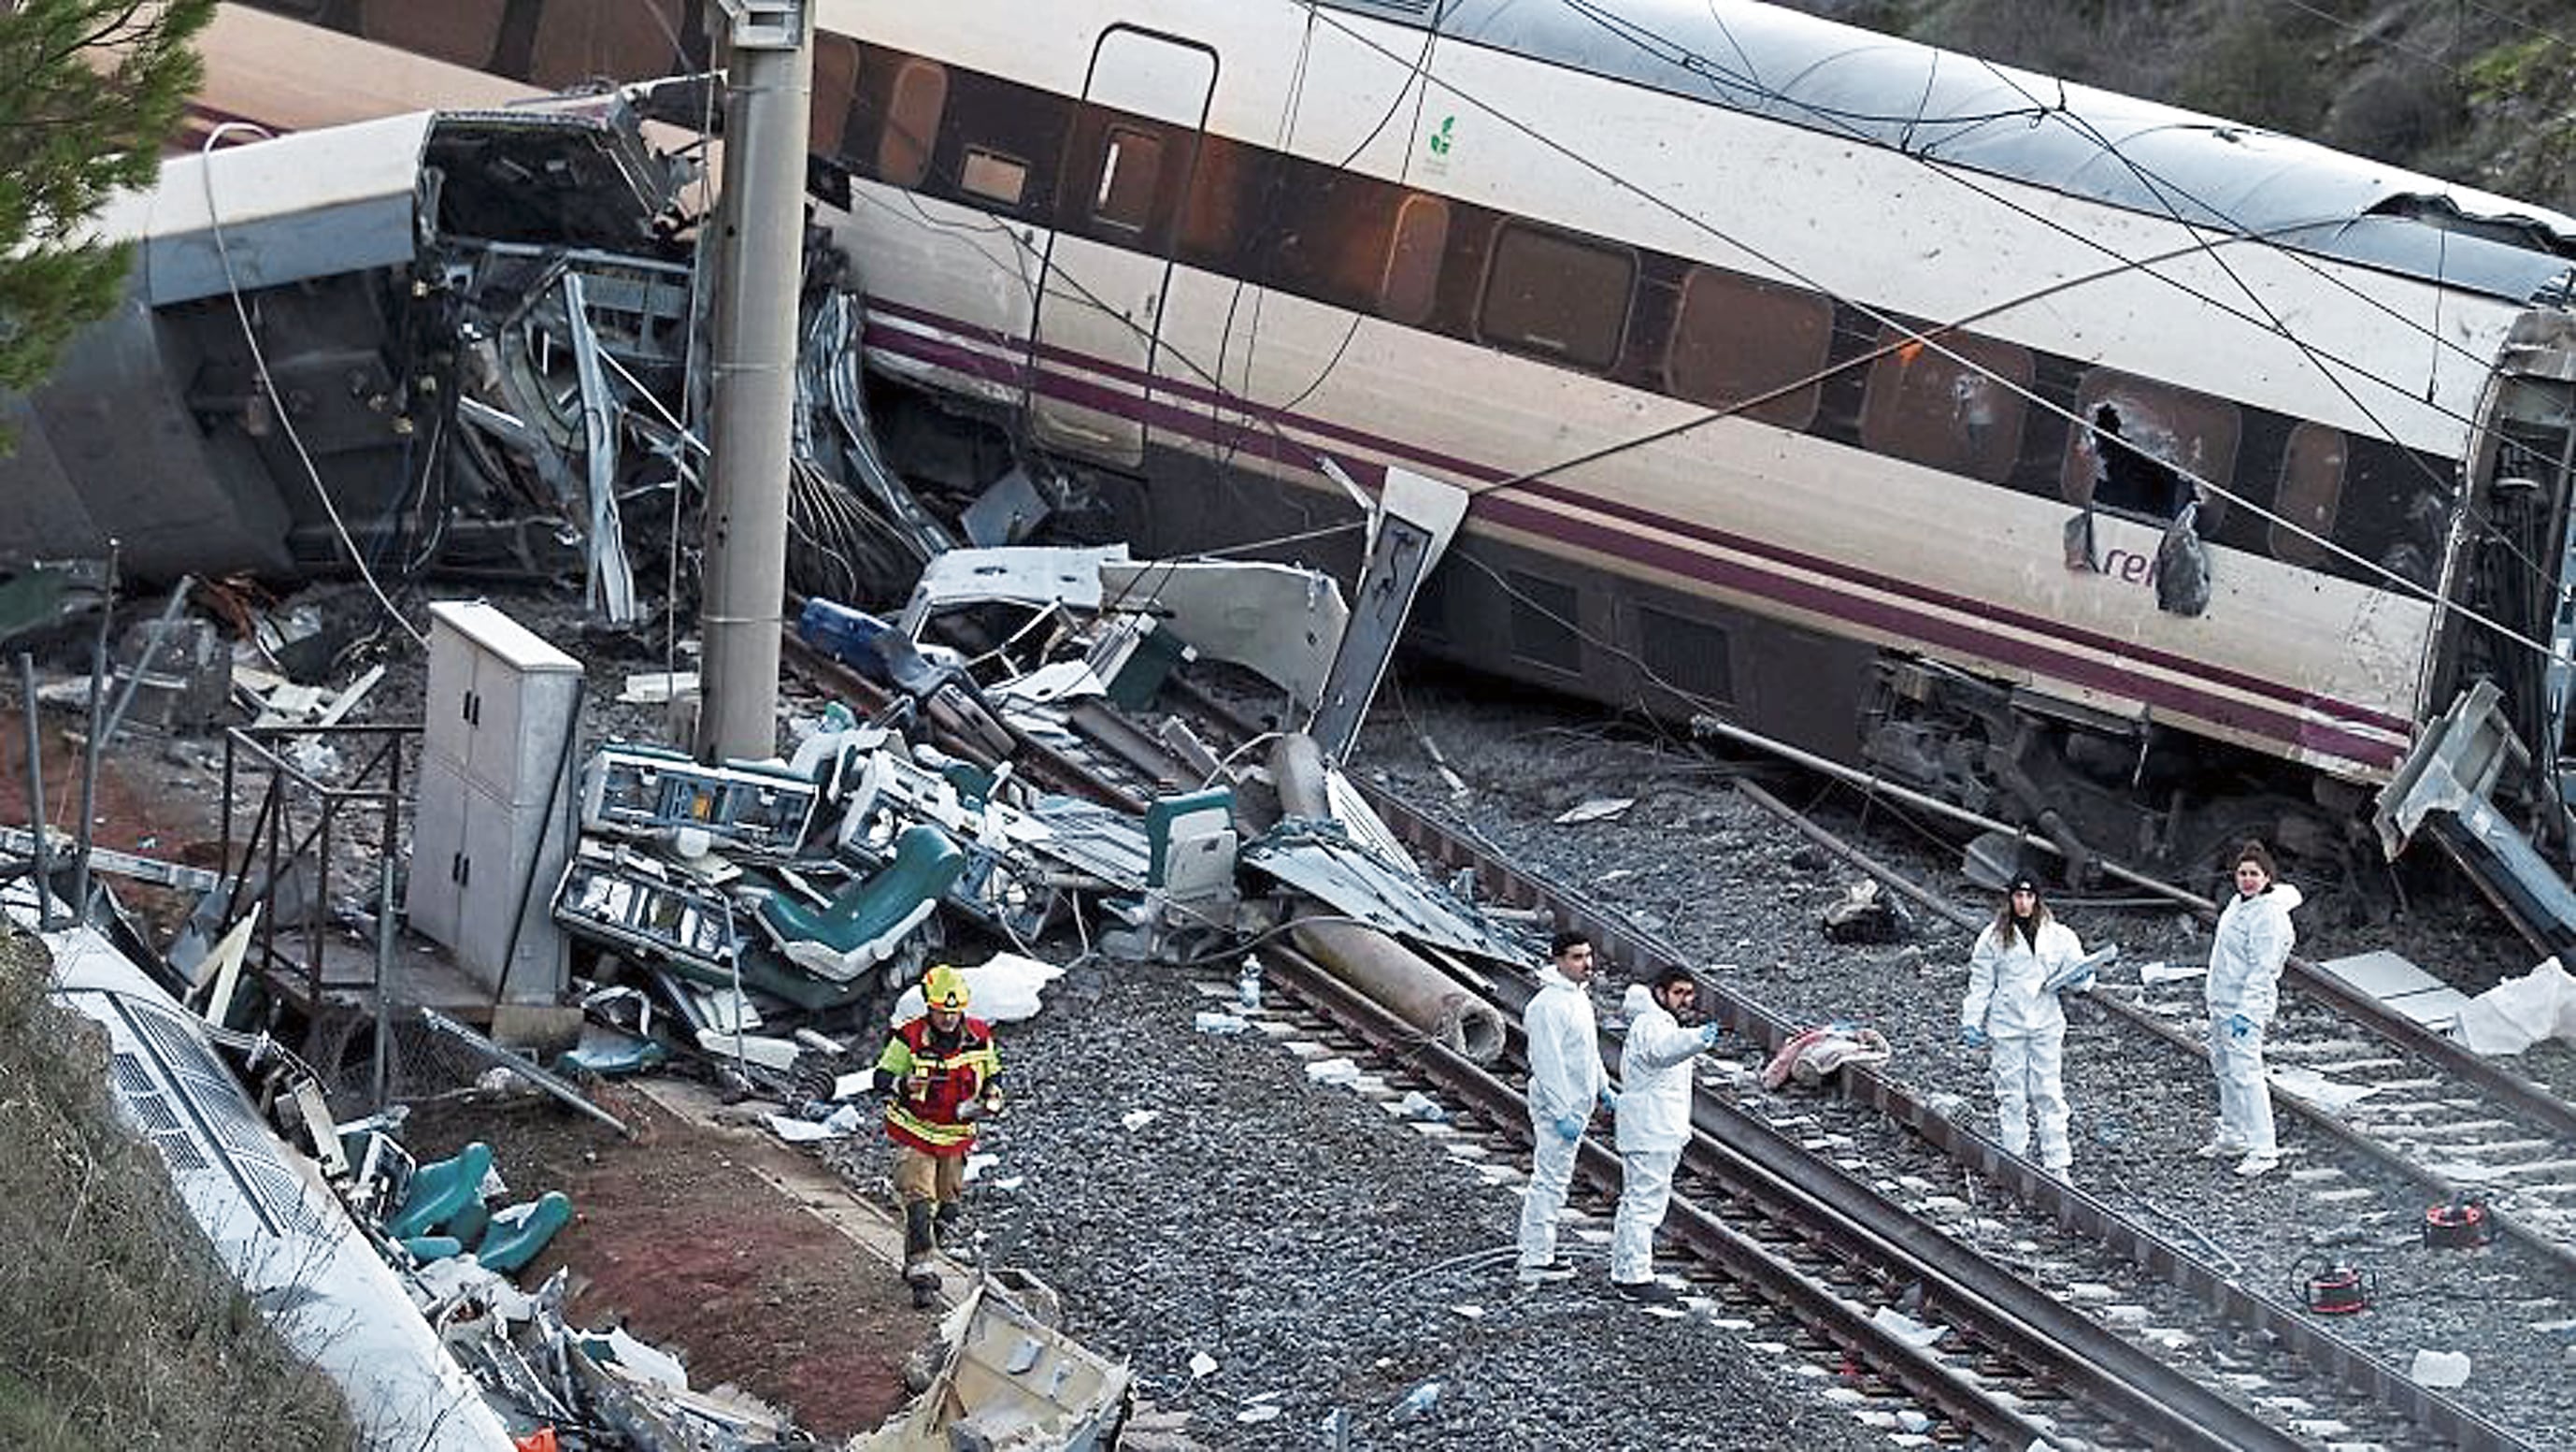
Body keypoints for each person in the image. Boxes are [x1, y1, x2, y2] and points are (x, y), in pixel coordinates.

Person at [871, 963, 1002, 1303]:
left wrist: (992, 1096)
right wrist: (903, 1084)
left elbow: (993, 1074)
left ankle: (926, 1250)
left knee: (949, 1207)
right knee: (919, 1202)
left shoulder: (978, 1036)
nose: (948, 1019)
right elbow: (881, 1078)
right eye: (942, 1012)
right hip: (916, 1132)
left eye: (954, 1012)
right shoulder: (909, 1038)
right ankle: (921, 1274)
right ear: (930, 1007)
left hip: (956, 1135)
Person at [1959, 875, 2083, 1182]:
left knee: (2049, 1091)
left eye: (2029, 897)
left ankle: (2057, 1164)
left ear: (2038, 899)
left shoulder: (2060, 936)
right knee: (2011, 1093)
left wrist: (2080, 979)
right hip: (2007, 1024)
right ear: (2010, 899)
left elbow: (2080, 971)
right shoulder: (1993, 937)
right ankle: (2015, 1157)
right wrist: (1972, 1019)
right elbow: (1981, 983)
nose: (2024, 903)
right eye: (2018, 896)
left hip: (2045, 1021)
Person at [1610, 966, 1723, 1304]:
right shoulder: (1652, 1024)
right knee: (1643, 1204)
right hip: (1651, 1128)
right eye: (1679, 992)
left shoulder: (1661, 1023)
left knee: (1640, 1201)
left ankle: (1627, 1272)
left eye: (1689, 993)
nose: (1686, 1000)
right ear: (1660, 993)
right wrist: (1697, 1038)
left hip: (1656, 1127)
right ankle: (1635, 1277)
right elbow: (1662, 1053)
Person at [1517, 928, 1610, 1287]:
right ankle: (1536, 1257)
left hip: (1576, 1102)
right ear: (1558, 960)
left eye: (1588, 956)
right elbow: (1547, 1062)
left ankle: (1541, 1251)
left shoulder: (1577, 998)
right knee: (1550, 1180)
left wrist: (1603, 1087)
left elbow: (1587, 1051)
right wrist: (1560, 1111)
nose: (1587, 964)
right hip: (1561, 1105)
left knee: (1557, 1179)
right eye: (1577, 957)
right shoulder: (1546, 1006)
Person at [2204, 841, 2299, 1177]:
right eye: (2242, 873)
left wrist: (2248, 1011)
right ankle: (2234, 1134)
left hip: (2245, 1007)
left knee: (2247, 1074)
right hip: (2222, 1001)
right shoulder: (2238, 904)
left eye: (2254, 874)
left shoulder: (2268, 916)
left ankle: (2264, 1148)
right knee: (2225, 1069)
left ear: (2267, 877)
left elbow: (2264, 968)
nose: (2246, 879)